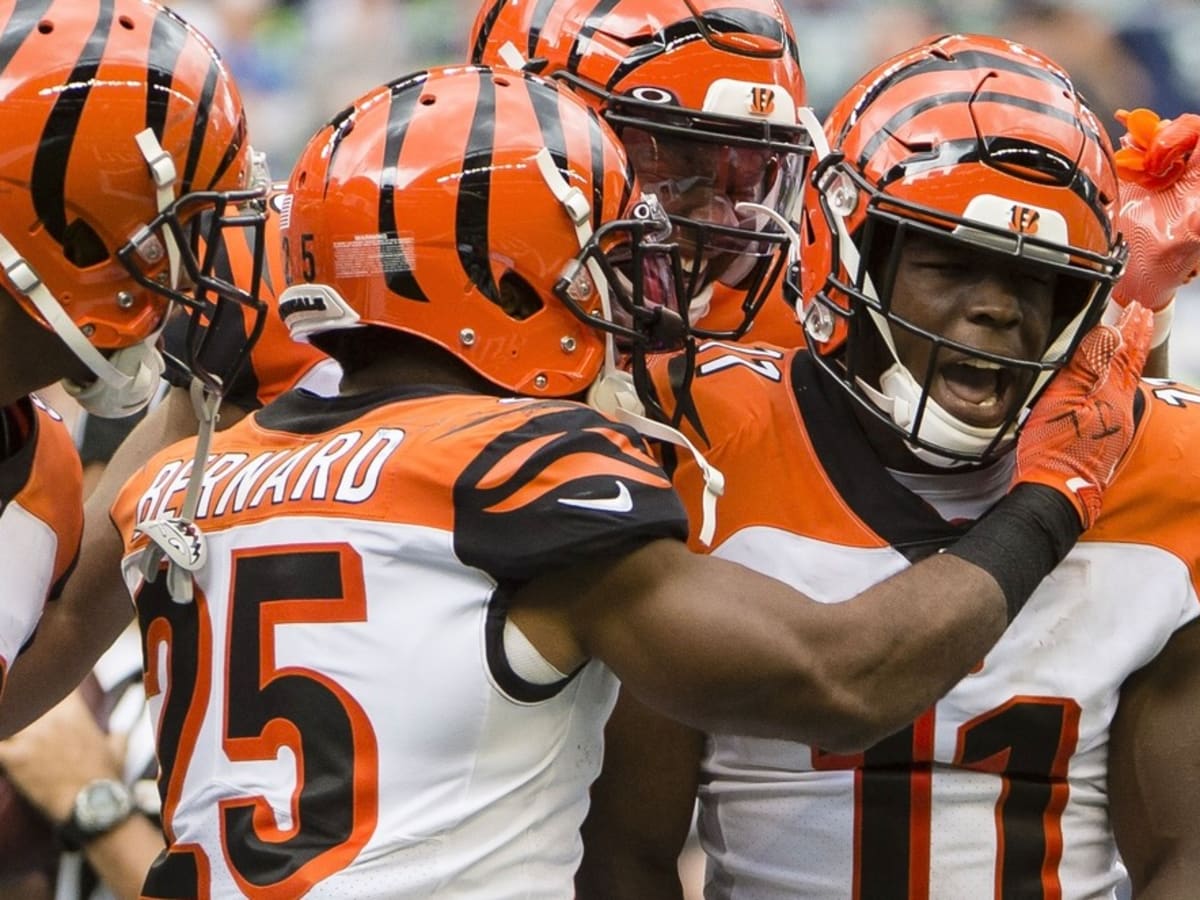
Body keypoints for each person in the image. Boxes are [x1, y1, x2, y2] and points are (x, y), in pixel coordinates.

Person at [100, 62, 1147, 897]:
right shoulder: (518, 469)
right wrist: (1052, 492)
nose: (632, 292)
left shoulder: (190, 477)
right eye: (601, 254)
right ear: (503, 274)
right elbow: (843, 685)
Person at [576, 34, 1198, 899]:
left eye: (1038, 278)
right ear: (847, 249)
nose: (996, 308)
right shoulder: (695, 440)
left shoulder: (1164, 463)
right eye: (949, 262)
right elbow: (625, 852)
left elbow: (1182, 858)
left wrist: (1137, 330)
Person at [0, 0, 269, 698]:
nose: (196, 272)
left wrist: (191, 407)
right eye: (180, 229)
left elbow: (39, 662)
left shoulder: (39, 471)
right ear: (77, 239)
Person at [470, 0, 814, 346]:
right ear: (531, 128)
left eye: (747, 182)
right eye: (675, 169)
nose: (719, 219)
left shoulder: (785, 328)